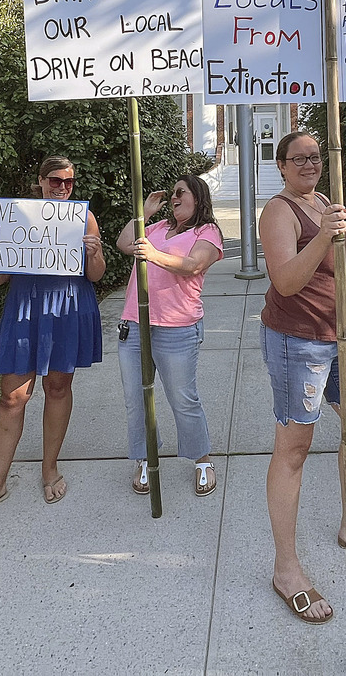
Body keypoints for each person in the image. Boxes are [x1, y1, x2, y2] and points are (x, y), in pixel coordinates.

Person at [260, 131, 346, 626]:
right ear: (282, 166)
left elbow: (344, 272)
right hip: (299, 341)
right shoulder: (280, 211)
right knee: (294, 448)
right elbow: (287, 281)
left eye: (315, 157)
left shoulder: (323, 202)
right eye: (299, 159)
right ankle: (286, 568)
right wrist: (322, 234)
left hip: (340, 338)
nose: (310, 164)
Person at [0, 156, 106, 523]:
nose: (62, 188)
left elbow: (97, 275)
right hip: (26, 307)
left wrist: (95, 253)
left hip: (68, 307)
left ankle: (49, 467)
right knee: (12, 396)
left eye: (69, 182)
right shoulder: (15, 215)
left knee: (57, 387)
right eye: (55, 181)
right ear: (40, 181)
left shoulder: (82, 217)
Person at [115, 175, 224, 497]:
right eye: (172, 194)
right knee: (136, 399)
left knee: (182, 398)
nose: (174, 198)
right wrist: (143, 213)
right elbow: (124, 244)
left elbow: (193, 265)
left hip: (176, 328)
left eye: (181, 193)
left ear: (198, 197)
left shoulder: (207, 232)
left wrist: (152, 254)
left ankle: (202, 459)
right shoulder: (157, 228)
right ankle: (145, 457)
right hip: (135, 324)